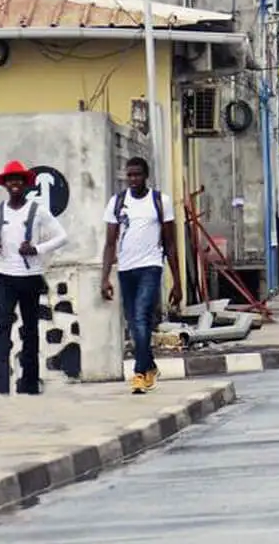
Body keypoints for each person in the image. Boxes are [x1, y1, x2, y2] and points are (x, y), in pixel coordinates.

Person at [0, 160, 68, 395]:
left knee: (30, 331)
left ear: (26, 183)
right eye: (11, 180)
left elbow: (61, 236)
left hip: (30, 276)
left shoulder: (37, 211)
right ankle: (3, 385)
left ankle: (29, 384)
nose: (15, 183)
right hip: (6, 277)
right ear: (5, 184)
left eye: (19, 179)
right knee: (2, 331)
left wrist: (37, 249)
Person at [100, 156, 180, 395]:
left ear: (146, 176)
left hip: (151, 266)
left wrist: (177, 282)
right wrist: (104, 277)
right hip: (126, 269)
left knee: (141, 316)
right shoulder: (117, 203)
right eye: (130, 175)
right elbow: (110, 243)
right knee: (134, 322)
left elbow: (170, 243)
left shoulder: (159, 201)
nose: (133, 179)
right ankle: (151, 366)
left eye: (137, 175)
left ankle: (139, 373)